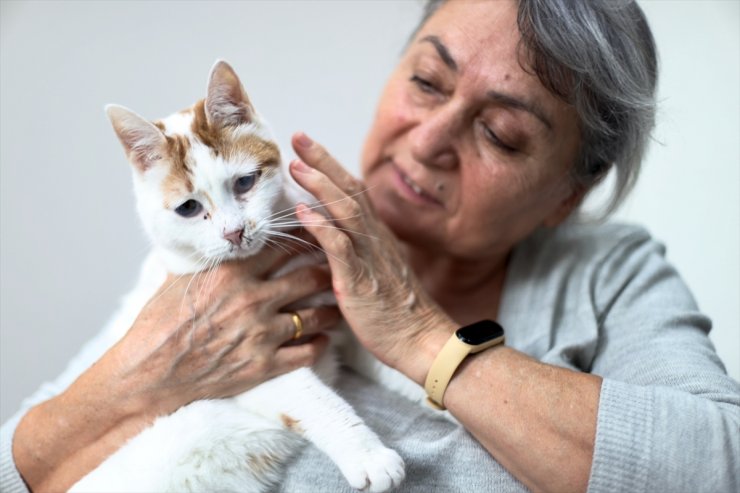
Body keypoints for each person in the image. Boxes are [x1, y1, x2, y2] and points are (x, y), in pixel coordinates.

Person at [2, 0, 738, 492]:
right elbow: (23, 460)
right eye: (426, 80)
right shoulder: (242, 260)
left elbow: (719, 461)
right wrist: (142, 377)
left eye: (501, 134)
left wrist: (423, 338)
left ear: (567, 196)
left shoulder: (607, 274)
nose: (430, 141)